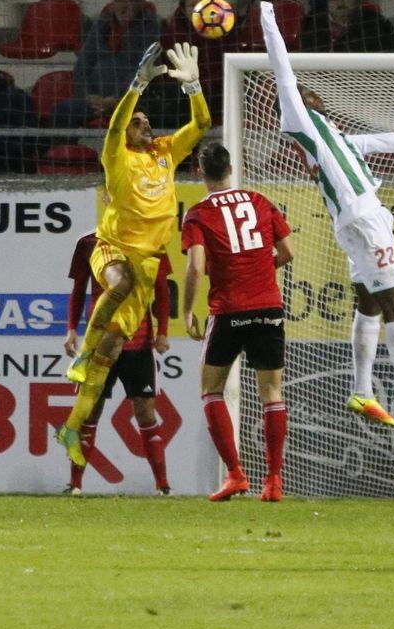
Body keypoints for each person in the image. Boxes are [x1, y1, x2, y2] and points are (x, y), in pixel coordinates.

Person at [260, 0, 394, 434]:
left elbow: (390, 141)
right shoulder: (301, 120)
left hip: (353, 222)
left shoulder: (338, 139)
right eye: (305, 91)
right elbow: (282, 66)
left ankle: (361, 390)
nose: (313, 92)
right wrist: (267, 11)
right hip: (364, 217)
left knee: (370, 302)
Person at [55, 42, 211, 467]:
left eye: (147, 121)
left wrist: (193, 86)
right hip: (113, 249)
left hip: (148, 261)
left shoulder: (164, 153)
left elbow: (202, 123)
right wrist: (136, 88)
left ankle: (71, 426)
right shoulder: (116, 156)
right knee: (117, 285)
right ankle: (83, 353)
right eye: (138, 122)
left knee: (111, 350)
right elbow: (116, 125)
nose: (146, 125)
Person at [182, 143, 295, 502]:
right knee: (272, 394)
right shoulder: (259, 201)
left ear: (199, 172)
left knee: (211, 390)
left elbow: (196, 266)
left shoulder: (198, 214)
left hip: (229, 310)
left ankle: (235, 475)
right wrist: (262, 272)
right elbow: (289, 251)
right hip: (267, 306)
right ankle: (274, 481)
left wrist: (187, 311)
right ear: (231, 168)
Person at [61, 230, 173, 496]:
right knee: (90, 413)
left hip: (139, 341)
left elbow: (161, 289)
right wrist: (71, 330)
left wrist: (163, 332)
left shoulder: (149, 239)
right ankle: (75, 485)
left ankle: (162, 486)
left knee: (145, 413)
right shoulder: (89, 243)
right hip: (101, 343)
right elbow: (79, 289)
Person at [51, 0, 165, 131]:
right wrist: (89, 96)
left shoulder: (151, 28)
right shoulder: (101, 25)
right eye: (118, 1)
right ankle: (64, 153)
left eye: (129, 1)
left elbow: (144, 69)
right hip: (95, 100)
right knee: (61, 111)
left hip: (133, 100)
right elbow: (83, 64)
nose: (123, 7)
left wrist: (117, 98)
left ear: (139, 4)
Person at [299, 0, 394, 53]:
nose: (341, 2)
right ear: (328, 3)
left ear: (355, 1)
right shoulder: (314, 21)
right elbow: (307, 50)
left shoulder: (373, 20)